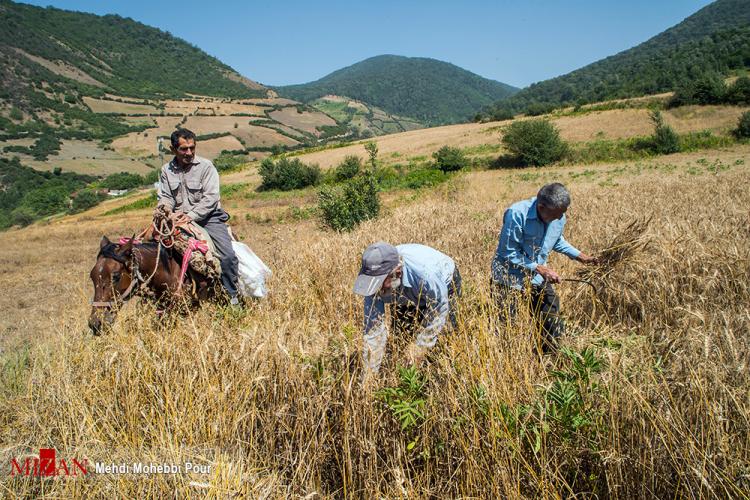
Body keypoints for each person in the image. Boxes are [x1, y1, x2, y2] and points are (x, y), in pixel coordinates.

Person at [490, 183, 597, 353]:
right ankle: (507, 358)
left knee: (550, 312)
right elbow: (508, 251)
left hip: (537, 277)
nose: (560, 218)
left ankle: (549, 355)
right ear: (541, 207)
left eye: (563, 213)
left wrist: (581, 256)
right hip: (508, 277)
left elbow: (555, 240)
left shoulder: (558, 216)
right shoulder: (517, 214)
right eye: (556, 214)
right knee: (507, 322)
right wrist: (540, 269)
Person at [156, 128, 240, 304]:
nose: (189, 153)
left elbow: (211, 198)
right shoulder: (166, 170)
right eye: (184, 149)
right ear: (173, 149)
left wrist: (191, 215)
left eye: (192, 148)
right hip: (178, 218)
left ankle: (232, 297)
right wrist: (165, 210)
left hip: (209, 218)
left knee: (227, 256)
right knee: (152, 251)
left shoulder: (206, 166)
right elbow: (166, 197)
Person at [353, 242, 461, 374]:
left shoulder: (426, 274)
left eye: (379, 282)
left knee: (445, 337)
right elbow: (373, 332)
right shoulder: (375, 286)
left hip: (444, 283)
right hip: (408, 291)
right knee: (402, 338)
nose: (376, 289)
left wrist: (420, 347)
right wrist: (369, 376)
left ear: (396, 273)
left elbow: (439, 310)